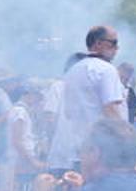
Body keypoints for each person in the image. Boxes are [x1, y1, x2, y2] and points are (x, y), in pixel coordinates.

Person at [47, 25, 127, 172]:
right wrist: (128, 139)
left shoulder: (73, 70)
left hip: (74, 151)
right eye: (113, 43)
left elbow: (69, 113)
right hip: (98, 154)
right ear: (98, 43)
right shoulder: (106, 69)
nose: (117, 48)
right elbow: (110, 110)